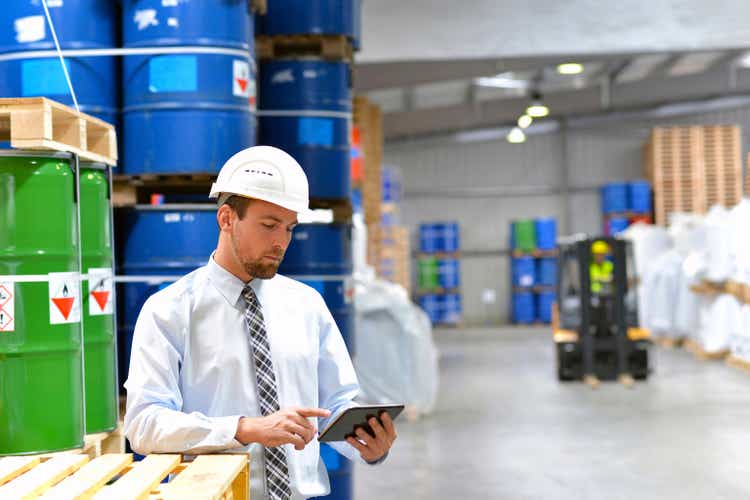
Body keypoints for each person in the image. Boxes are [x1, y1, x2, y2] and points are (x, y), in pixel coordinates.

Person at [124, 146, 397, 499]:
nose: (281, 242)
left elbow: (334, 407)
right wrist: (244, 429)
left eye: (289, 227)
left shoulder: (306, 304)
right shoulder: (170, 310)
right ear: (226, 219)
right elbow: (144, 424)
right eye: (268, 225)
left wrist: (368, 443)